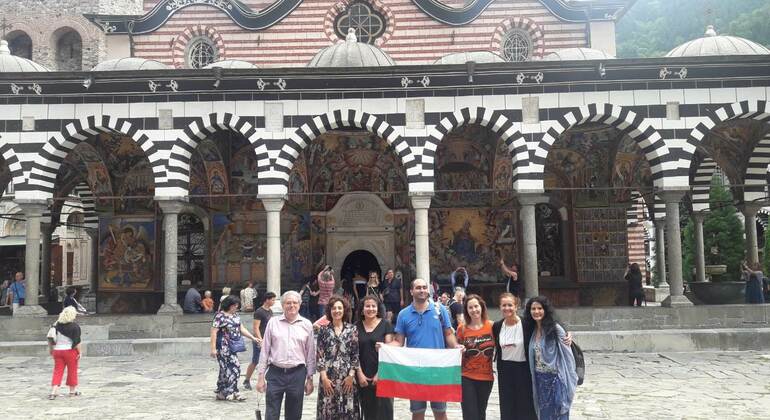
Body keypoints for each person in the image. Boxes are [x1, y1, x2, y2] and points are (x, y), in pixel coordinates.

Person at [391, 278, 462, 420]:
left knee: (440, 411)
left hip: (437, 369)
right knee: (417, 412)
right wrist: (385, 348)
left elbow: (448, 333)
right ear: (411, 291)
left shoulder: (440, 309)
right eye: (418, 288)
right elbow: (399, 341)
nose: (422, 290)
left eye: (424, 287)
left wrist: (455, 346)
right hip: (416, 370)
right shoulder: (403, 314)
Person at [256, 291, 316, 420]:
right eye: (288, 303)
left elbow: (310, 353)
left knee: (294, 414)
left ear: (300, 305)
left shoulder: (307, 325)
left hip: (297, 374)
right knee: (271, 413)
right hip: (275, 373)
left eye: (295, 303)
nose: (292, 306)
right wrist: (260, 376)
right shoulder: (273, 323)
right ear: (283, 305)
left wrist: (310, 379)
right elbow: (265, 350)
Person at [524, 296, 577, 420]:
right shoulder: (531, 329)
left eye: (539, 308)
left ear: (545, 310)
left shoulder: (555, 328)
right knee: (544, 414)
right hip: (539, 380)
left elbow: (568, 356)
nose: (536, 311)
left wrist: (568, 378)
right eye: (533, 309)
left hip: (556, 379)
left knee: (559, 413)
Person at [492, 293, 537, 420]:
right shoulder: (497, 326)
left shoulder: (527, 324)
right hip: (505, 369)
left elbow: (547, 323)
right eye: (504, 305)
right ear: (500, 307)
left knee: (525, 405)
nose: (507, 308)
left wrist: (566, 333)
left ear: (516, 306)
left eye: (510, 305)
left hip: (523, 368)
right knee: (507, 405)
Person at [316, 295, 360, 419]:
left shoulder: (352, 330)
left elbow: (355, 355)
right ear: (329, 311)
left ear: (344, 310)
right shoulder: (323, 330)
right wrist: (324, 378)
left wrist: (351, 376)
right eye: (334, 308)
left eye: (340, 308)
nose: (337, 311)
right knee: (328, 411)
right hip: (328, 378)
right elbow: (320, 355)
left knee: (348, 411)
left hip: (347, 379)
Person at [209, 295, 258, 401]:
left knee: (225, 369)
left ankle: (222, 392)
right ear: (229, 305)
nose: (236, 307)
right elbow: (214, 332)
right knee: (234, 367)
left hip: (232, 345)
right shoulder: (220, 316)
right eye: (235, 305)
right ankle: (232, 391)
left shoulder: (235, 315)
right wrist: (213, 348)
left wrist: (252, 337)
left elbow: (241, 328)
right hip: (223, 346)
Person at [456, 294, 494, 420]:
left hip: (486, 377)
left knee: (481, 412)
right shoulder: (462, 329)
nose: (474, 310)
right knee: (469, 414)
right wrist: (458, 348)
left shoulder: (492, 327)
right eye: (470, 307)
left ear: (482, 307)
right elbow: (455, 347)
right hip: (466, 376)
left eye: (476, 306)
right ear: (466, 310)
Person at [356, 295, 394, 420]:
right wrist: (359, 373)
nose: (370, 309)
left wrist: (380, 373)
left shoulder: (386, 324)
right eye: (367, 306)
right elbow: (353, 353)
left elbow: (389, 351)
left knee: (385, 411)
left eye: (373, 306)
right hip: (363, 375)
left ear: (378, 309)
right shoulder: (355, 326)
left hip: (383, 374)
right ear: (362, 309)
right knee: (368, 411)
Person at [47, 306, 82, 399]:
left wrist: (51, 349)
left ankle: (53, 391)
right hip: (70, 351)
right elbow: (77, 342)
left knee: (58, 371)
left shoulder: (55, 325)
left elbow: (50, 338)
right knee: (72, 370)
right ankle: (72, 392)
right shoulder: (75, 327)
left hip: (57, 351)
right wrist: (80, 352)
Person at [244, 292, 276, 390]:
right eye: (273, 299)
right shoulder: (259, 312)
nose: (274, 302)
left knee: (269, 361)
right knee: (256, 360)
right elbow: (256, 328)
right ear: (267, 300)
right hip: (259, 339)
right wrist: (260, 340)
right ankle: (247, 379)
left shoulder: (270, 311)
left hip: (268, 339)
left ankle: (264, 380)